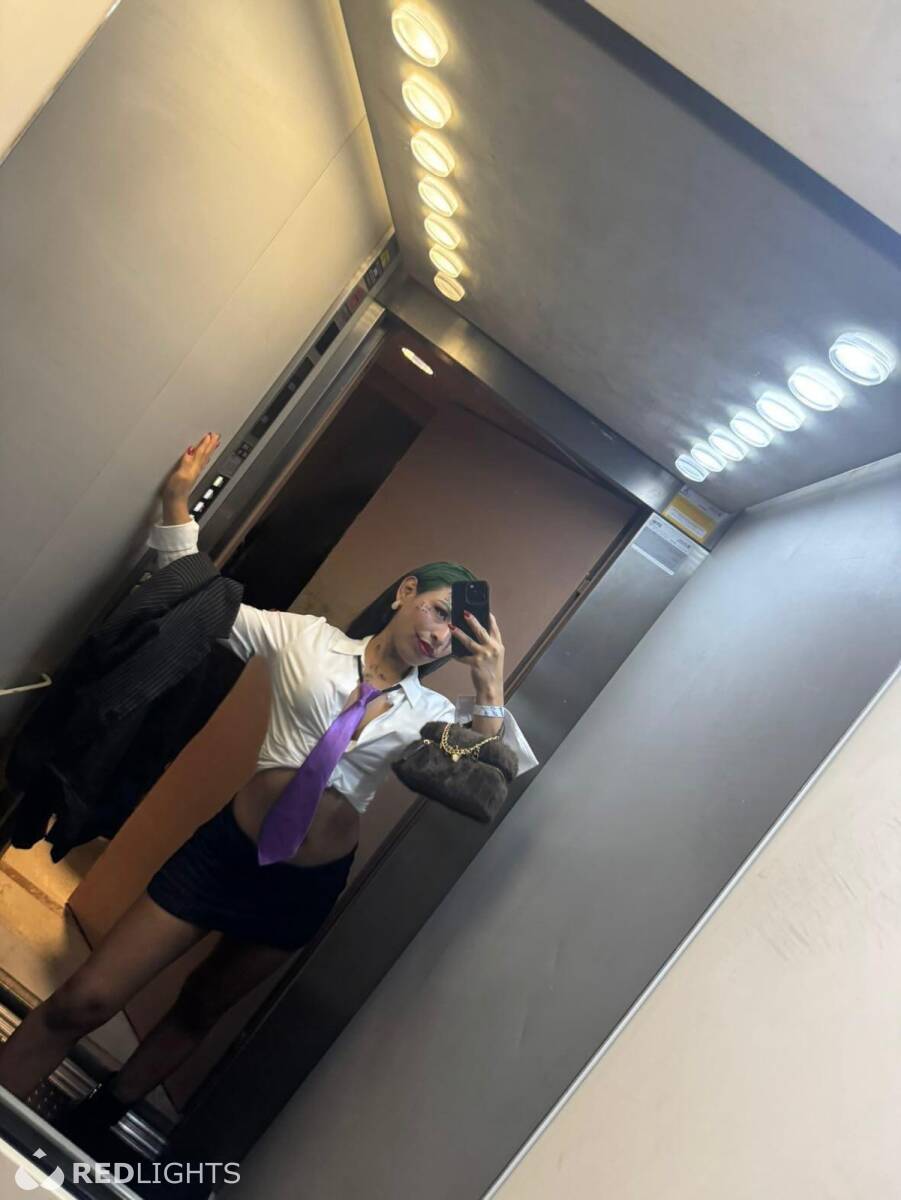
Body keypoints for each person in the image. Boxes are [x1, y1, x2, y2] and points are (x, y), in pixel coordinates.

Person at [0, 431, 537, 1139]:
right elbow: (202, 601)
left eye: (456, 634)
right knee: (85, 1000)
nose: (439, 637)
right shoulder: (307, 640)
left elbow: (489, 780)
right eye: (438, 611)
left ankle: (93, 1123)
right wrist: (177, 505)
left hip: (305, 889)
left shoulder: (436, 713)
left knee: (200, 1008)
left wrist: (490, 687)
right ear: (406, 593)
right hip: (222, 855)